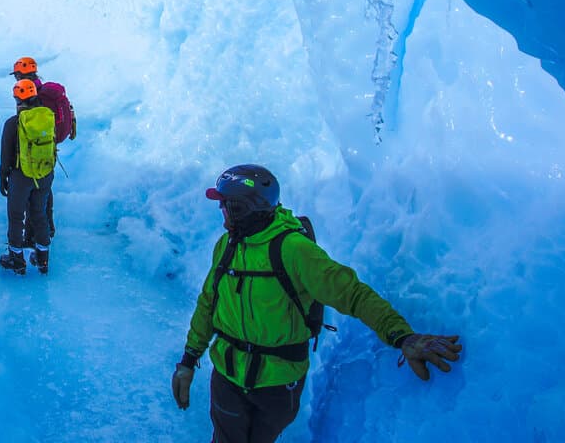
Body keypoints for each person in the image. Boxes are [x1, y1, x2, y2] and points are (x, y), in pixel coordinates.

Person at [171, 164, 462, 443]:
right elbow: (208, 304)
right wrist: (188, 361)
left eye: (229, 206)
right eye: (222, 206)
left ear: (252, 208)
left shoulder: (294, 251)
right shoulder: (227, 246)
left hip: (277, 385)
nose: (223, 216)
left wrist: (402, 336)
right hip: (228, 378)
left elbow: (353, 294)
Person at [10, 56, 77, 246]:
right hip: (49, 146)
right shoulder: (46, 91)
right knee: (44, 188)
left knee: (35, 193)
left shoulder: (32, 94)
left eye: (17, 75)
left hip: (36, 148)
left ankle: (34, 236)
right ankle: (47, 229)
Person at [0, 79, 55, 274]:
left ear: (17, 99)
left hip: (21, 177)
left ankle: (16, 258)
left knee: (16, 216)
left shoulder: (13, 123)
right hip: (45, 174)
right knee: (39, 214)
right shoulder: (47, 117)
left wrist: (3, 178)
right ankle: (43, 258)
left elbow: (6, 157)